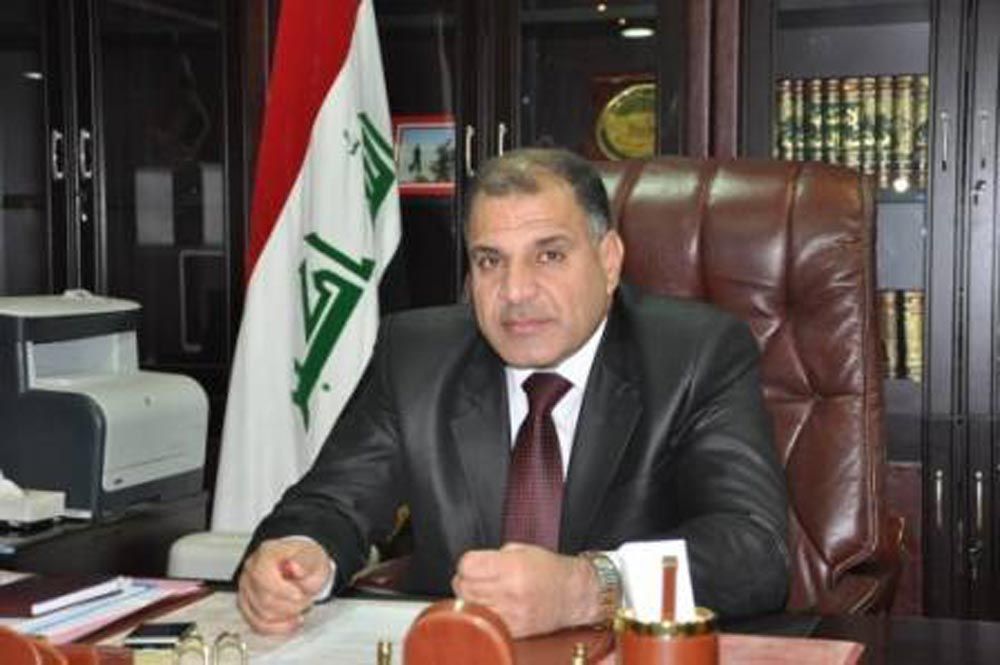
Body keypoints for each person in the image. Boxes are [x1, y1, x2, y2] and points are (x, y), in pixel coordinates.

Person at [237, 147, 789, 637]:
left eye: (549, 255)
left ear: (608, 260)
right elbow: (329, 504)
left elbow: (754, 551)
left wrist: (587, 587)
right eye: (490, 261)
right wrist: (301, 557)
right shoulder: (415, 358)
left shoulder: (695, 355)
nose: (516, 291)